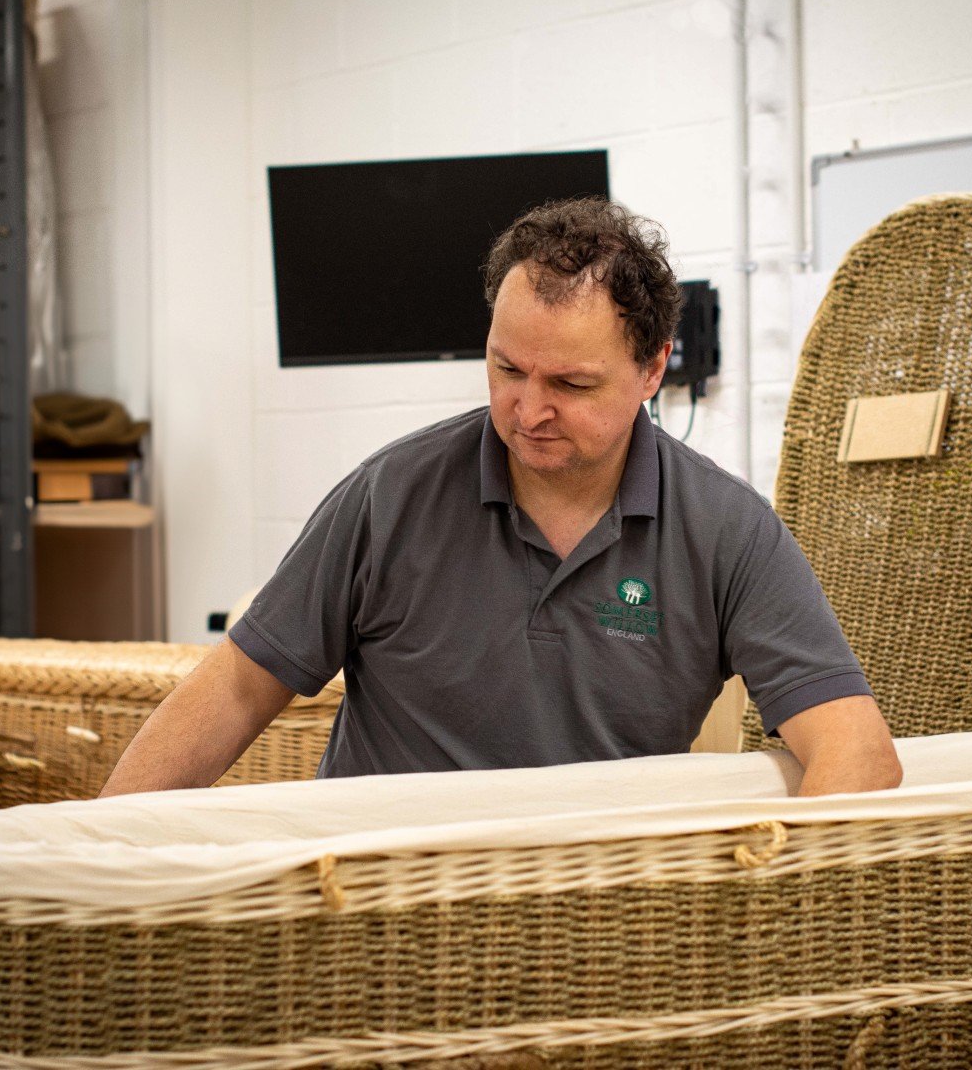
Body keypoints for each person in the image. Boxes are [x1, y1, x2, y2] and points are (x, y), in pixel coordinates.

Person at [101, 199, 901, 799]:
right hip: (380, 902)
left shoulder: (727, 533)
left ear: (653, 370)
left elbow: (856, 753)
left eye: (571, 383)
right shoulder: (392, 498)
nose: (528, 410)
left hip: (588, 914)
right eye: (507, 369)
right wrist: (101, 847)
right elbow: (239, 688)